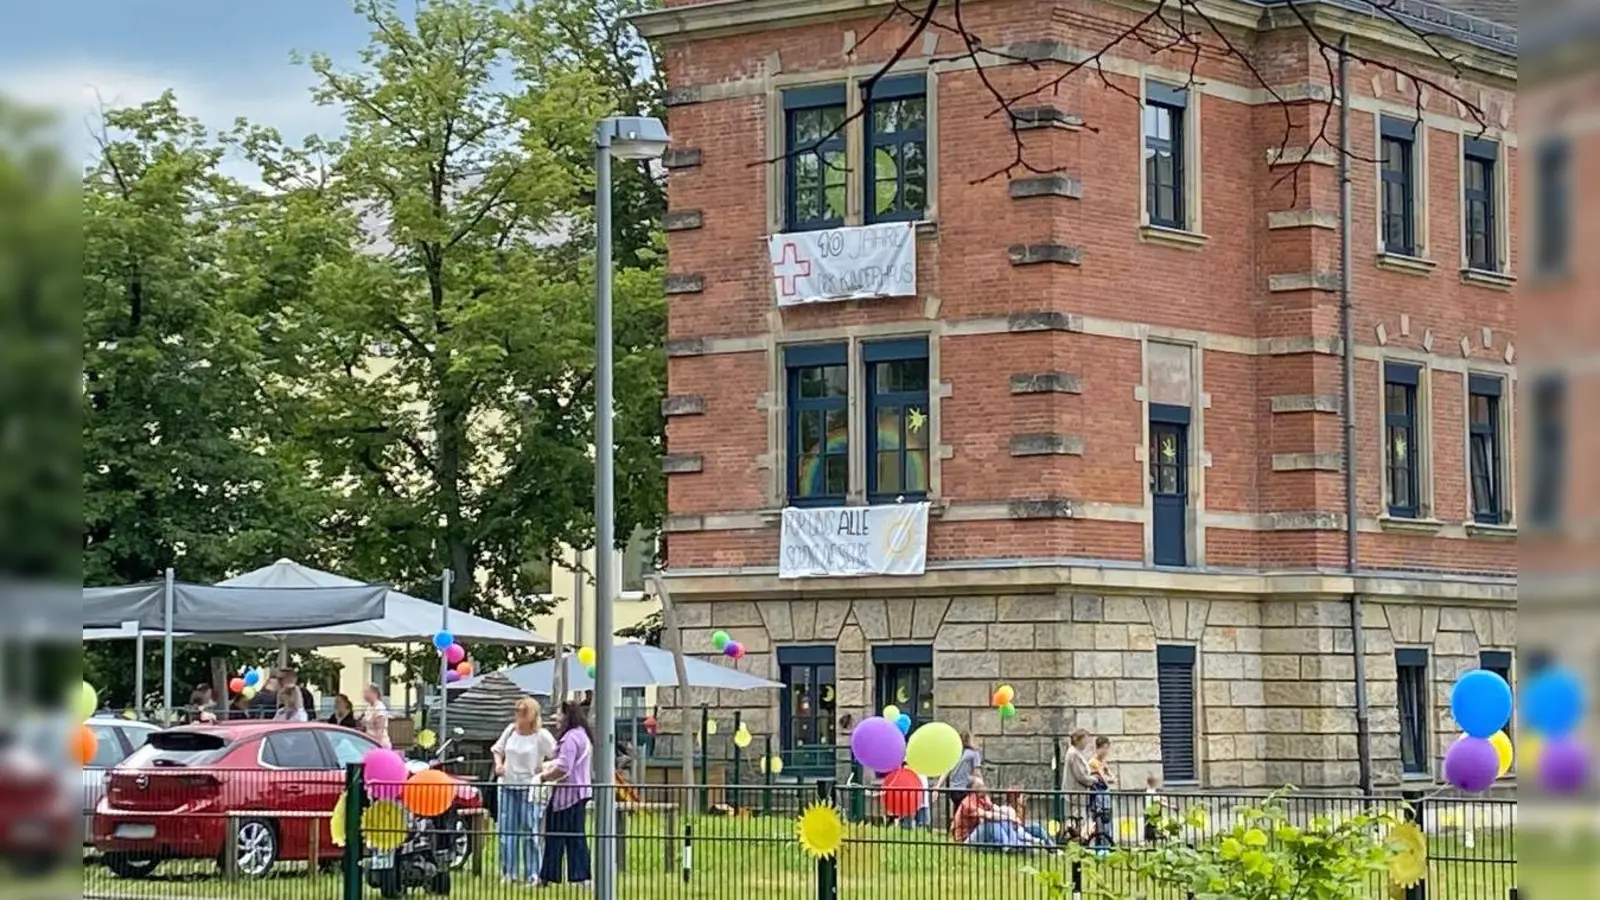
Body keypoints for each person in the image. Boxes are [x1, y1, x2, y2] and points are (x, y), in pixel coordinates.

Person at [492, 697, 557, 885]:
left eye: (523, 712)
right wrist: (498, 765)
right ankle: (508, 872)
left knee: (530, 830)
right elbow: (498, 749)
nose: (519, 716)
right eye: (517, 712)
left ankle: (533, 873)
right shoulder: (510, 730)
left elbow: (557, 756)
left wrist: (544, 769)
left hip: (529, 787)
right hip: (507, 785)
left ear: (532, 715)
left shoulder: (541, 735)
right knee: (507, 831)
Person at [538, 700, 594, 887]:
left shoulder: (570, 738)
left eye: (559, 714)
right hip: (580, 792)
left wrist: (545, 776)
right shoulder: (583, 736)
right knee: (576, 836)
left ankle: (549, 876)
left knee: (555, 836)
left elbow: (564, 767)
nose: (556, 718)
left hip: (567, 795)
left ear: (568, 716)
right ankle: (580, 877)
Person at [949, 776, 1051, 851]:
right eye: (981, 785)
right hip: (966, 840)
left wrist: (1011, 817)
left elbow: (995, 808)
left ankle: (1016, 845)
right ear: (973, 789)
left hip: (980, 835)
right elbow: (987, 815)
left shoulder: (984, 798)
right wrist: (1009, 818)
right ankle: (1008, 846)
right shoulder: (968, 803)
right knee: (990, 822)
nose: (985, 787)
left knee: (1007, 822)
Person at [937, 732, 982, 816]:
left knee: (958, 810)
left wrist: (938, 786)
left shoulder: (955, 753)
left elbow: (946, 770)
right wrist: (982, 785)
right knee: (968, 812)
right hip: (966, 788)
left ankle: (956, 826)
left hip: (953, 788)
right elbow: (977, 772)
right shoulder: (974, 753)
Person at [360, 683, 392, 748]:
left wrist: (377, 745)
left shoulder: (379, 707)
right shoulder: (369, 707)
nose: (364, 695)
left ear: (374, 693)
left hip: (379, 743)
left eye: (367, 692)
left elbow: (380, 730)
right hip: (369, 741)